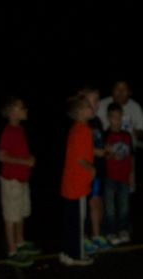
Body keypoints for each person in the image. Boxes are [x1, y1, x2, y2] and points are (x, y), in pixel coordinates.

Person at [0, 97, 41, 267]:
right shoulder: (8, 131)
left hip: (21, 179)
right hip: (11, 181)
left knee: (20, 213)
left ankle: (20, 242)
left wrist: (29, 158)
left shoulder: (19, 129)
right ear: (12, 112)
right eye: (22, 107)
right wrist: (24, 162)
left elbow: (19, 152)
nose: (26, 110)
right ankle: (12, 251)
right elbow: (2, 156)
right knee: (11, 216)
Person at [60, 95, 96, 266]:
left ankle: (66, 253)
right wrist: (92, 169)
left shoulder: (75, 129)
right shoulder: (83, 130)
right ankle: (77, 255)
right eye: (88, 106)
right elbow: (81, 159)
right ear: (80, 112)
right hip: (78, 186)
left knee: (70, 221)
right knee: (78, 223)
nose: (92, 108)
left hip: (70, 184)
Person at [77, 86, 112, 253]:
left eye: (98, 100)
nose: (97, 104)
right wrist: (96, 151)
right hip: (86, 171)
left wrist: (106, 149)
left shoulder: (97, 121)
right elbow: (79, 150)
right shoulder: (81, 122)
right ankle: (82, 237)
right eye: (94, 100)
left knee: (97, 203)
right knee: (86, 205)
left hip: (98, 169)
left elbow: (100, 142)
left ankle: (96, 235)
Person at [103, 102, 135, 245]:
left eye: (119, 117)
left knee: (124, 206)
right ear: (108, 118)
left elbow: (131, 156)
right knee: (109, 207)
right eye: (113, 117)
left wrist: (131, 174)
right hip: (109, 176)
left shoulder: (127, 135)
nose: (117, 120)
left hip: (124, 176)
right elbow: (101, 155)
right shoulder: (105, 135)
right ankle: (110, 231)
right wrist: (110, 154)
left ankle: (123, 229)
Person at [96, 80, 143, 145]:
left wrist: (135, 132)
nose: (120, 92)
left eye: (124, 89)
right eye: (117, 89)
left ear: (130, 92)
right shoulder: (100, 105)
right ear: (112, 90)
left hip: (128, 146)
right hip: (105, 146)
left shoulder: (135, 107)